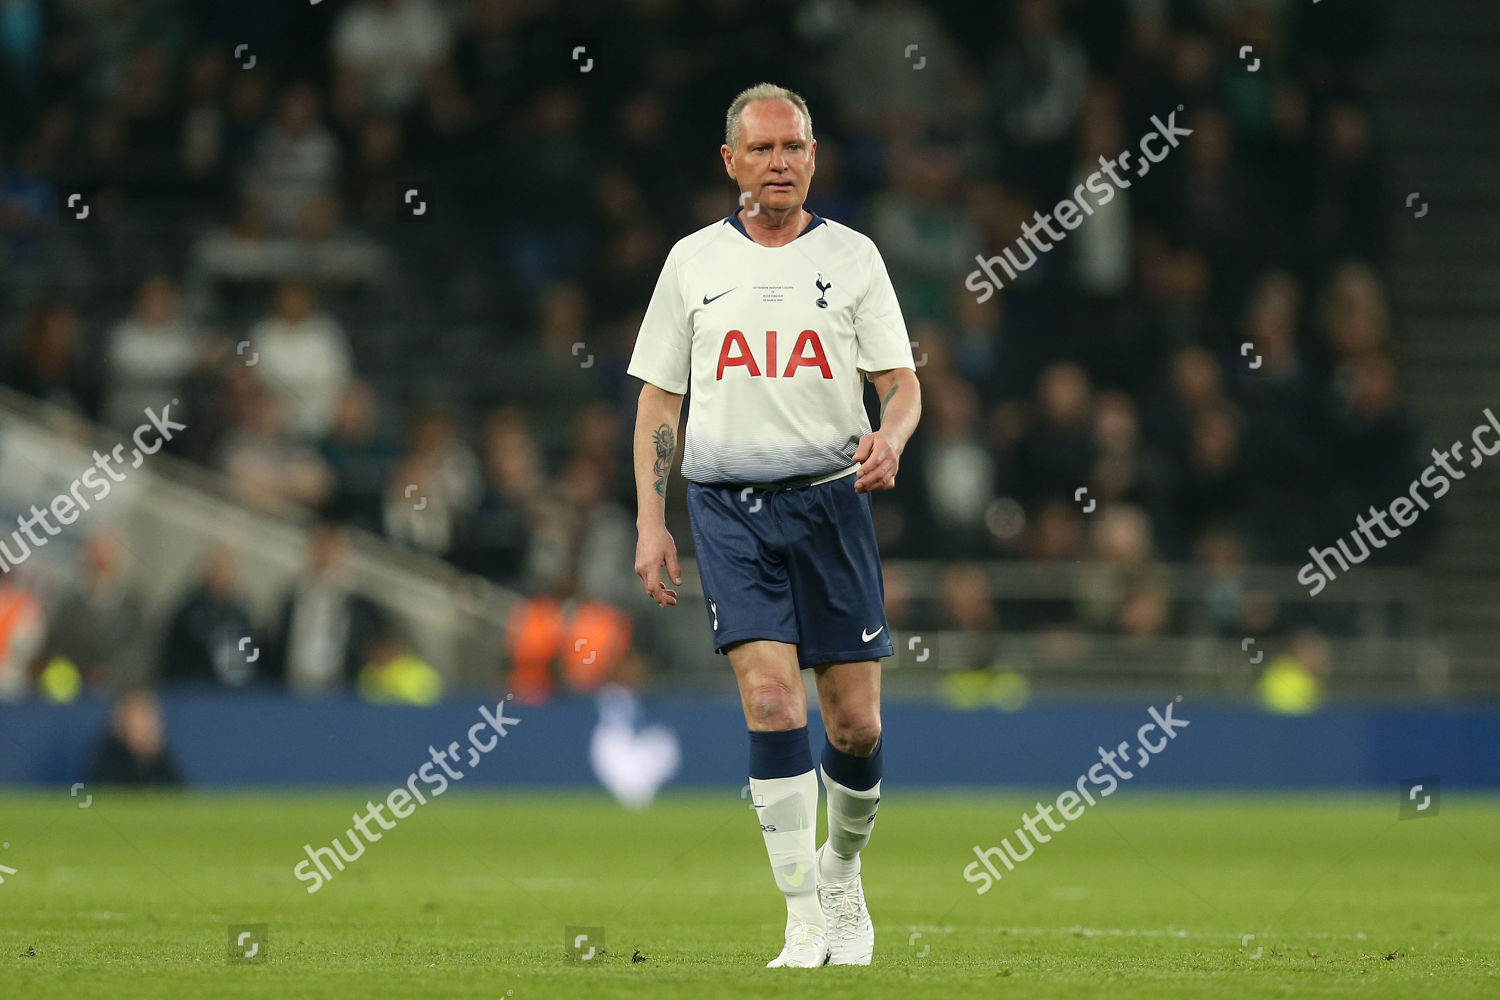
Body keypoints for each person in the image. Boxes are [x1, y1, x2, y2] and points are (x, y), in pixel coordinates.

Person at [628, 83, 921, 968]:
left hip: (833, 504)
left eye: (794, 147)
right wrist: (652, 519)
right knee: (767, 698)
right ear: (731, 163)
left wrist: (893, 438)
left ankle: (840, 872)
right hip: (729, 509)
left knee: (857, 725)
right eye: (762, 149)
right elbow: (659, 398)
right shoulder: (691, 263)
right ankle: (800, 912)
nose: (780, 162)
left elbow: (900, 386)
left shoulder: (857, 257)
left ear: (814, 157)